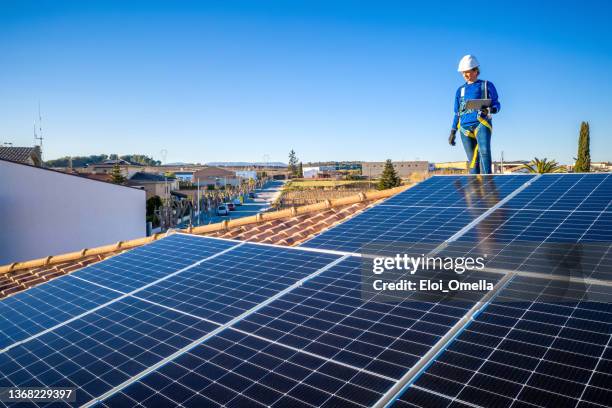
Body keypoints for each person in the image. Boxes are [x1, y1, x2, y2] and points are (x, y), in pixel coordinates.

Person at [448, 55, 500, 174]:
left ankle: (487, 184)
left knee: (484, 152)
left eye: (468, 72)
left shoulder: (486, 85)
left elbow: (497, 104)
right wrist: (452, 131)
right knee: (473, 160)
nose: (465, 75)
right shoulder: (460, 90)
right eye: (463, 73)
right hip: (464, 128)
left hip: (481, 124)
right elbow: (457, 113)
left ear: (476, 71)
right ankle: (475, 189)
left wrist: (490, 110)